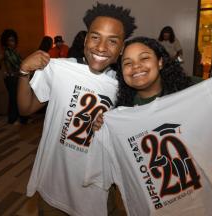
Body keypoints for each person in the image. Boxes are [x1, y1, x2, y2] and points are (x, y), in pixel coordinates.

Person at [84, 37, 212, 216]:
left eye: (144, 58)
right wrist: (103, 129)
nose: (136, 66)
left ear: (160, 62)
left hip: (209, 204)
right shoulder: (121, 114)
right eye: (127, 63)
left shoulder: (196, 90)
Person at [17, 3, 137, 216]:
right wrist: (24, 70)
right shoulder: (62, 69)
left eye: (112, 41)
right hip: (53, 188)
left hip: (94, 196)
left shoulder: (125, 88)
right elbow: (25, 109)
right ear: (85, 39)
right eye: (95, 37)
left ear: (121, 49)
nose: (101, 47)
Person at [1, 29, 28, 124]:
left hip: (17, 77)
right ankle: (13, 119)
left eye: (13, 40)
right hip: (12, 78)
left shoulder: (14, 51)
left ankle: (19, 118)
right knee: (14, 99)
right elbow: (18, 64)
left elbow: (21, 62)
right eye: (10, 40)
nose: (12, 42)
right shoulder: (7, 52)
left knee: (18, 98)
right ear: (6, 41)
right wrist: (24, 65)